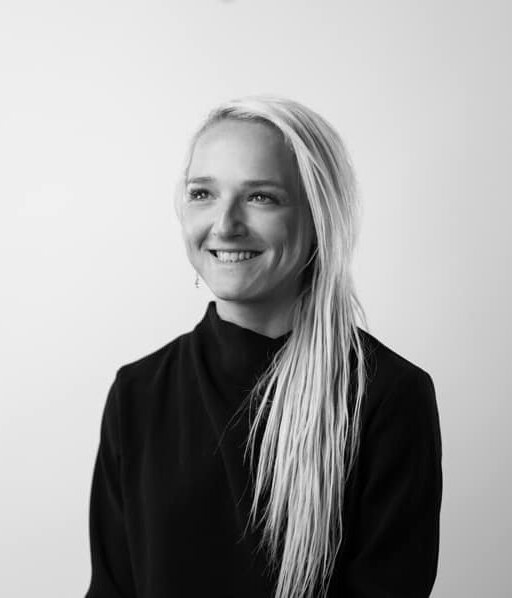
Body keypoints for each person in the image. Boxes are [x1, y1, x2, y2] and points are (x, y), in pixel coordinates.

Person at [86, 96, 442, 598]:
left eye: (261, 197)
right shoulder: (138, 393)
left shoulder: (386, 397)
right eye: (203, 193)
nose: (225, 224)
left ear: (318, 216)